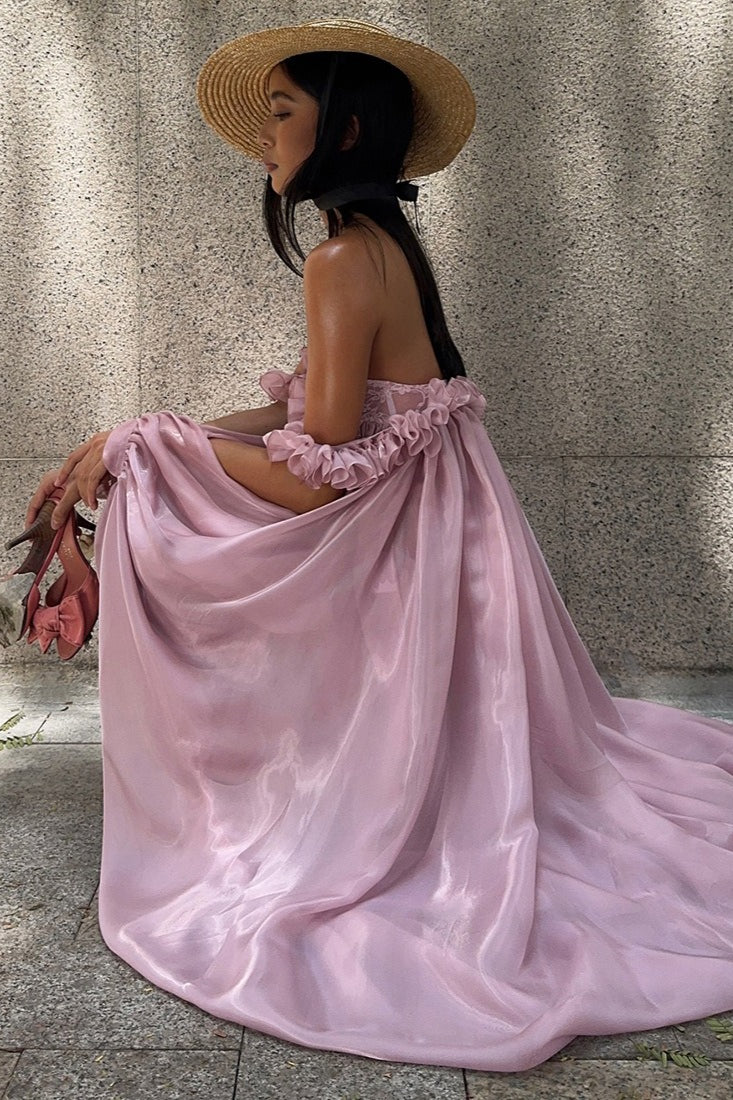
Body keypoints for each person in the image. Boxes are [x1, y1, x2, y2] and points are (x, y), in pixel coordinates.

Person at [19, 19, 733, 1074]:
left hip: (408, 538)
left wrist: (153, 449)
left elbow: (322, 470)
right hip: (447, 521)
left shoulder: (341, 259)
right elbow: (314, 413)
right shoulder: (382, 247)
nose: (265, 140)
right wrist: (153, 432)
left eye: (282, 114)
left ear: (344, 129)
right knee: (165, 462)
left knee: (174, 513)